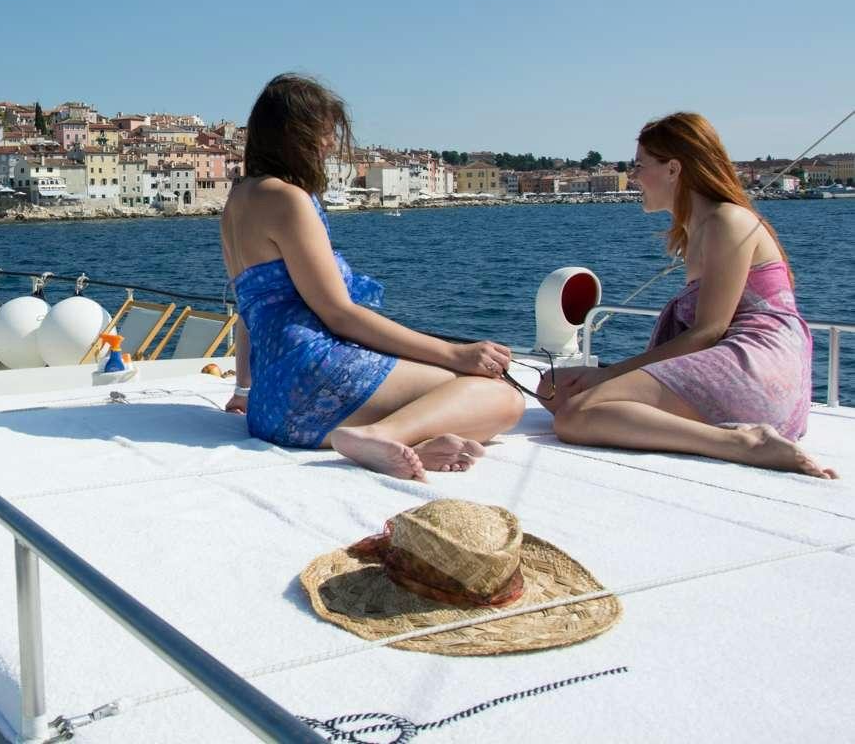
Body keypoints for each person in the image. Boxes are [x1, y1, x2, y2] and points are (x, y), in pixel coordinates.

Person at [221, 74, 524, 481]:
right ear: (294, 133)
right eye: (323, 132)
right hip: (315, 377)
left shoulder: (237, 200)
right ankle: (380, 435)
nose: (328, 144)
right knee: (503, 396)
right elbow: (339, 314)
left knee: (454, 391)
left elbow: (250, 313)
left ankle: (411, 443)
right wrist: (457, 353)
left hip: (269, 408)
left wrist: (244, 390)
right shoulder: (288, 199)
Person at [542, 112, 836, 479]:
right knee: (555, 394)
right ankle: (731, 435)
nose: (633, 177)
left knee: (575, 416)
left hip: (756, 369)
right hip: (744, 367)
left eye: (639, 165)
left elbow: (707, 331)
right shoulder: (699, 228)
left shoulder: (727, 221)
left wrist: (607, 376)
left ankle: (745, 443)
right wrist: (602, 377)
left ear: (673, 169)